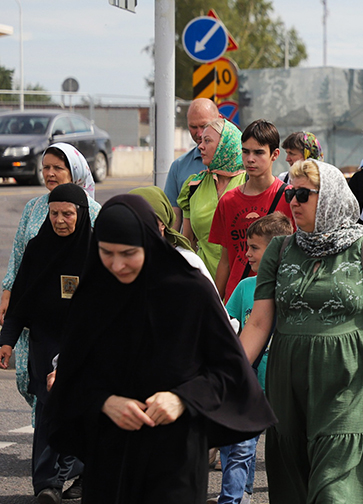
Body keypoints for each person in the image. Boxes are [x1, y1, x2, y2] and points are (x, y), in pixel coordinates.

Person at [44, 195, 276, 503]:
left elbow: (228, 371)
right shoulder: (93, 297)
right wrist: (103, 401)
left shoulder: (189, 291)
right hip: (109, 455)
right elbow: (71, 379)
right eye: (106, 252)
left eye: (129, 253)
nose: (117, 265)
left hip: (175, 453)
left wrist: (182, 399)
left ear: (150, 242)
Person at [240, 159, 363, 503]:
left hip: (344, 380)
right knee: (293, 485)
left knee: (334, 491)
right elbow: (258, 322)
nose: (293, 201)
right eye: (290, 193)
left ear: (328, 198)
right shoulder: (280, 252)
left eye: (303, 194)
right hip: (287, 383)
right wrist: (231, 377)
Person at [0, 184, 93, 503]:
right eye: (54, 213)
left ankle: (75, 474)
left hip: (82, 343)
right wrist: (7, 341)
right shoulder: (38, 249)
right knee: (47, 409)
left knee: (78, 411)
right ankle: (47, 484)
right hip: (44, 342)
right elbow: (20, 301)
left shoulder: (95, 252)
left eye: (67, 214)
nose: (60, 220)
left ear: (81, 215)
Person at [0, 143, 102, 420]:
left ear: (75, 170)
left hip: (75, 317)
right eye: (46, 167)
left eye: (58, 167)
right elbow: (21, 251)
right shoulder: (34, 208)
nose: (50, 173)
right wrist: (9, 288)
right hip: (35, 301)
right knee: (28, 375)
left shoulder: (92, 211)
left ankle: (52, 442)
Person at [219, 212, 293, 504]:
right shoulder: (245, 288)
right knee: (239, 449)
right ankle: (235, 498)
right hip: (250, 387)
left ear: (276, 250)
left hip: (284, 387)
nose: (246, 253)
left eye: (254, 247)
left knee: (286, 453)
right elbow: (228, 328)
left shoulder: (291, 290)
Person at [209, 119, 294, 302]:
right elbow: (225, 260)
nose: (250, 159)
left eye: (258, 152)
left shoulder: (290, 199)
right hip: (237, 298)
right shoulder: (228, 201)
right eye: (245, 151)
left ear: (274, 154)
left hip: (277, 297)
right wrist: (217, 302)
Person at [179, 118, 247, 277]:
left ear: (226, 145)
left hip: (242, 282)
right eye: (201, 141)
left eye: (207, 141)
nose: (200, 146)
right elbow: (188, 241)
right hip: (204, 281)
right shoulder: (194, 186)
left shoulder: (250, 183)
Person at [129, 185, 215, 287]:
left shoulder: (186, 261)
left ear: (162, 224)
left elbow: (208, 301)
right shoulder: (124, 263)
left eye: (144, 220)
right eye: (130, 220)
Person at [164, 98, 221, 231]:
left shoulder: (242, 162)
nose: (200, 133)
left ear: (219, 120)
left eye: (204, 126)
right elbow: (174, 218)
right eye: (193, 127)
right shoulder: (179, 166)